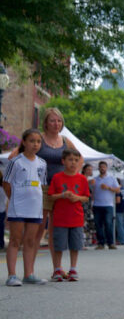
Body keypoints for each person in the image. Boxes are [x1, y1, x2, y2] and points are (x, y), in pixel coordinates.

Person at [8, 108, 81, 275]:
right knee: (38, 229)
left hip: (61, 188)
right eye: (52, 121)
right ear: (46, 123)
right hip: (42, 188)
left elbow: (79, 157)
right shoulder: (38, 139)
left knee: (57, 229)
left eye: (59, 121)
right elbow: (14, 156)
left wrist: (73, 174)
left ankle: (57, 268)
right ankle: (30, 271)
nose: (56, 124)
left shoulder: (65, 141)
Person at [4, 129, 48, 286]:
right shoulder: (16, 162)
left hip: (35, 207)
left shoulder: (42, 163)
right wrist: (13, 199)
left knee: (30, 240)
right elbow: (6, 183)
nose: (35, 144)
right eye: (31, 141)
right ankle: (12, 275)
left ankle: (29, 274)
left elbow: (42, 184)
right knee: (15, 240)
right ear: (24, 142)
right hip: (18, 206)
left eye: (38, 141)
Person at [47, 149, 90, 282]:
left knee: (75, 245)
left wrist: (76, 197)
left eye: (76, 160)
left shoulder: (82, 179)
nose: (73, 163)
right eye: (70, 160)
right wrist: (62, 195)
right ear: (63, 161)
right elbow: (51, 196)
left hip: (76, 217)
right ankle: (57, 269)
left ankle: (73, 268)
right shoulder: (57, 177)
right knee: (59, 245)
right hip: (60, 218)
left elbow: (86, 197)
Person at [93, 161, 120, 250]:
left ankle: (110, 243)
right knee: (98, 224)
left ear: (106, 168)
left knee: (108, 223)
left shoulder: (112, 178)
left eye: (104, 167)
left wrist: (108, 188)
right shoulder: (95, 179)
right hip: (97, 204)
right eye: (101, 167)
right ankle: (101, 243)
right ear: (98, 168)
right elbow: (92, 191)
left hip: (108, 205)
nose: (102, 168)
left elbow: (118, 190)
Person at [81, 164, 95, 247]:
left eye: (91, 169)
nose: (90, 171)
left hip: (87, 203)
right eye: (88, 169)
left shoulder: (89, 180)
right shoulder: (82, 178)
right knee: (81, 221)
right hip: (82, 203)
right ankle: (80, 242)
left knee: (84, 221)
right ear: (84, 170)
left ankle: (82, 241)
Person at [115, 178, 124, 245]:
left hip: (119, 209)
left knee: (119, 225)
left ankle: (121, 240)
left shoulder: (118, 190)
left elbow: (118, 201)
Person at [0, 171, 7, 250]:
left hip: (2, 209)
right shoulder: (3, 189)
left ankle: (1, 243)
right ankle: (1, 243)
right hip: (2, 210)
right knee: (1, 227)